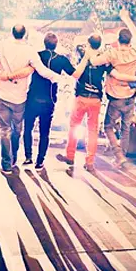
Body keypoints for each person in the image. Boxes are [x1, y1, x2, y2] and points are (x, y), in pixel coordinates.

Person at [0, 24, 61, 174]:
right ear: (25, 34)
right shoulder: (29, 51)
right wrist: (57, 77)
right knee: (17, 130)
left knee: (4, 131)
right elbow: (42, 70)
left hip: (2, 94)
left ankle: (6, 164)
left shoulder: (2, 45)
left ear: (12, 32)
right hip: (20, 98)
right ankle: (13, 157)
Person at [23, 32, 90, 170]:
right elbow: (76, 74)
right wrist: (86, 59)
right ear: (56, 44)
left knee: (28, 128)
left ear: (44, 43)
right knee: (44, 132)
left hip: (32, 98)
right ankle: (39, 161)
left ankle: (28, 156)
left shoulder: (37, 55)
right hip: (49, 100)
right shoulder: (62, 60)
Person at [89, 9, 136, 169]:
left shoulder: (112, 54)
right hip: (130, 96)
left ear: (118, 41)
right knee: (125, 128)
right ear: (129, 41)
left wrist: (91, 49)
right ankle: (121, 158)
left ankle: (118, 154)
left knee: (108, 127)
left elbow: (94, 61)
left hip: (116, 97)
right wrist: (126, 18)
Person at [58, 34, 112, 172]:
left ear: (88, 44)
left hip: (81, 97)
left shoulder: (83, 55)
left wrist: (87, 56)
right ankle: (89, 162)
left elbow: (76, 74)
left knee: (74, 126)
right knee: (92, 131)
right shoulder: (104, 57)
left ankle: (70, 156)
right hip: (96, 99)